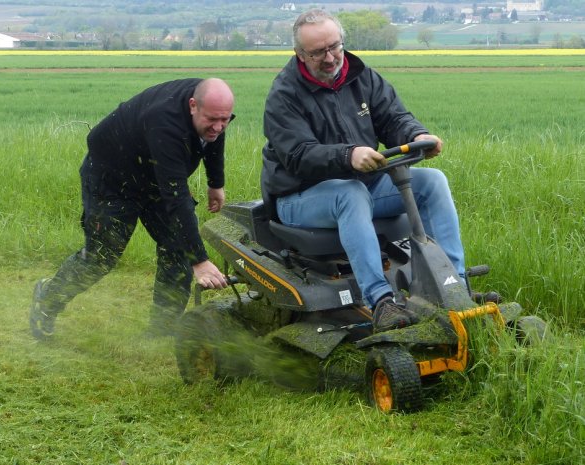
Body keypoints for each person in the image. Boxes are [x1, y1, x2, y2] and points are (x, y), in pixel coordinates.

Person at [261, 10, 466, 332]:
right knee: (350, 193)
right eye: (318, 52)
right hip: (299, 196)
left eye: (335, 47)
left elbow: (394, 118)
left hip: (361, 185)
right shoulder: (284, 95)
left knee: (432, 182)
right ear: (300, 54)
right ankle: (381, 301)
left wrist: (417, 136)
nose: (330, 58)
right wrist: (348, 155)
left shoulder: (362, 76)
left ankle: (454, 287)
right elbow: (298, 155)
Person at [30, 77, 234, 340]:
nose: (218, 126)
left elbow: (213, 136)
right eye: (212, 119)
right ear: (193, 105)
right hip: (112, 178)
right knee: (102, 256)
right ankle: (47, 300)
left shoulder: (210, 104)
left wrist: (215, 183)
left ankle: (162, 331)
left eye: (225, 119)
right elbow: (176, 196)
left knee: (177, 250)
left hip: (152, 174)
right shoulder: (165, 121)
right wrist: (200, 261)